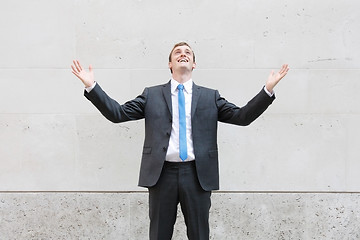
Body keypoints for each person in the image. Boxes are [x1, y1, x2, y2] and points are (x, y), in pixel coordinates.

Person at [71, 42, 289, 240]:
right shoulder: (151, 95)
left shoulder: (210, 97)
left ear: (194, 64)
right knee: (158, 235)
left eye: (187, 53)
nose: (182, 54)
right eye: (177, 52)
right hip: (161, 174)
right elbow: (117, 114)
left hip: (197, 175)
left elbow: (243, 117)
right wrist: (92, 87)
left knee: (199, 235)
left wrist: (267, 90)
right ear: (170, 63)